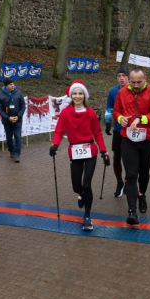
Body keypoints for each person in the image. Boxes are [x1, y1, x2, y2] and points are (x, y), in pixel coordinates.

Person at [50, 80, 109, 231]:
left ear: (85, 96)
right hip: (75, 151)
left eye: (80, 93)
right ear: (71, 96)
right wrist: (55, 145)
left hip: (90, 151)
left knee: (87, 184)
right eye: (75, 93)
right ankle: (81, 194)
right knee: (77, 186)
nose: (77, 96)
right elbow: (59, 131)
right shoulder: (66, 113)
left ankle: (87, 216)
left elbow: (97, 133)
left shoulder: (90, 113)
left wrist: (103, 151)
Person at [113, 68, 150, 225]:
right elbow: (116, 111)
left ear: (145, 79)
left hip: (147, 139)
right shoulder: (122, 93)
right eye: (133, 82)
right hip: (127, 139)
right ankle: (132, 211)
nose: (135, 85)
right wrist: (120, 118)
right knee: (131, 174)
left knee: (144, 173)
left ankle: (142, 194)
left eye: (138, 82)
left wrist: (141, 119)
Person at [104, 65, 130, 197]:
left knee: (129, 158)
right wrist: (108, 122)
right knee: (116, 157)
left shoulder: (133, 90)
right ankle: (119, 182)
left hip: (131, 130)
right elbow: (109, 108)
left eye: (123, 76)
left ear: (128, 77)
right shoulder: (113, 91)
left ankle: (128, 181)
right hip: (118, 130)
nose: (121, 78)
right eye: (119, 76)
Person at [0, 77, 26, 163]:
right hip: (7, 120)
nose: (12, 85)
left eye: (13, 84)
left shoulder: (18, 93)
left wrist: (18, 116)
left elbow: (23, 106)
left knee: (17, 136)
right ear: (6, 86)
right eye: (10, 84)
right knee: (9, 137)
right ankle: (11, 151)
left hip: (18, 120)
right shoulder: (0, 95)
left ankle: (17, 154)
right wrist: (8, 117)